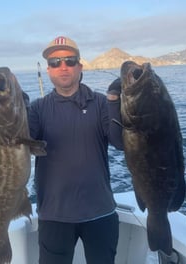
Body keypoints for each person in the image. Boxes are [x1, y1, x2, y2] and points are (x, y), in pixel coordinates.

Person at [28, 36, 123, 264]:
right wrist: (13, 107)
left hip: (101, 212)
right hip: (54, 216)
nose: (63, 67)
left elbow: (120, 143)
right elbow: (18, 144)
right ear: (49, 70)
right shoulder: (37, 109)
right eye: (55, 62)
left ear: (80, 66)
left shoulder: (102, 103)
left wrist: (115, 101)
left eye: (70, 60)